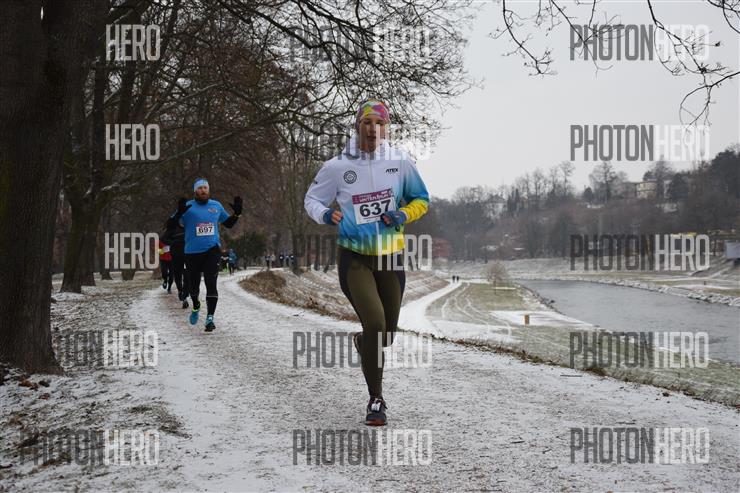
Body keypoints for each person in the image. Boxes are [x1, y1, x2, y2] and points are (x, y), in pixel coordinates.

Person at [304, 99, 430, 426]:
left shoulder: (399, 162)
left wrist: (403, 214)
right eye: (367, 123)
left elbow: (422, 199)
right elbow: (312, 199)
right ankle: (376, 400)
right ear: (357, 126)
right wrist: (325, 214)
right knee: (374, 323)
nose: (373, 129)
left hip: (390, 258)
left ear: (385, 129)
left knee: (385, 335)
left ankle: (364, 343)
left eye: (379, 124)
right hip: (355, 258)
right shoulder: (337, 166)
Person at [172, 178, 242, 332]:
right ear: (195, 191)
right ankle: (196, 305)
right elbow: (171, 226)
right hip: (192, 253)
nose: (203, 190)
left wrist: (237, 214)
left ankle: (210, 318)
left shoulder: (216, 206)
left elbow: (228, 224)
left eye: (205, 188)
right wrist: (178, 214)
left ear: (208, 190)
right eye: (200, 188)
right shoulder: (188, 207)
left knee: (211, 283)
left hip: (212, 251)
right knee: (194, 287)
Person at [162, 216, 189, 308]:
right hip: (176, 256)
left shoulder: (189, 227)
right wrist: (173, 243)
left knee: (187, 275)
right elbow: (163, 239)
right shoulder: (172, 229)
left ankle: (185, 295)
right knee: (177, 275)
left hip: (188, 255)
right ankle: (180, 290)